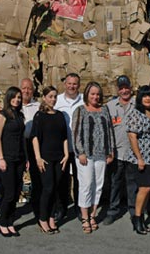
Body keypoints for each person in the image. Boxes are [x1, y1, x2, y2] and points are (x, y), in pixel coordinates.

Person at [73, 81, 115, 234]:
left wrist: (111, 151)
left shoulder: (104, 110)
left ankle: (92, 215)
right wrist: (80, 152)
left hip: (101, 154)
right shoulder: (80, 110)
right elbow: (75, 133)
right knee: (86, 184)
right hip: (86, 155)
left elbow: (109, 131)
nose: (95, 97)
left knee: (98, 185)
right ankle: (84, 217)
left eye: (97, 94)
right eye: (92, 94)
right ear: (87, 94)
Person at [126, 85, 150, 235]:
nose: (147, 99)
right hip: (142, 158)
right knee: (145, 188)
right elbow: (132, 136)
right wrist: (139, 158)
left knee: (149, 189)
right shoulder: (136, 114)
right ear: (140, 98)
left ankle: (141, 217)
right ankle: (137, 218)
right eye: (144, 96)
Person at [31, 86, 69, 234]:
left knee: (56, 187)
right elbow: (35, 137)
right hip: (45, 157)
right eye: (50, 96)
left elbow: (64, 136)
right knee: (47, 188)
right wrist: (38, 157)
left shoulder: (60, 115)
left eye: (55, 97)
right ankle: (42, 218)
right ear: (44, 97)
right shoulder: (39, 116)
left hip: (59, 157)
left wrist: (66, 155)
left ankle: (52, 216)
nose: (53, 99)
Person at [103, 75, 137, 225]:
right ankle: (113, 210)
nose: (124, 91)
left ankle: (134, 211)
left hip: (133, 152)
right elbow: (106, 129)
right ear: (118, 90)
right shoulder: (110, 106)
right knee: (115, 183)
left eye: (126, 88)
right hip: (116, 152)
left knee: (132, 183)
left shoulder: (137, 103)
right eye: (121, 88)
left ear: (130, 88)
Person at [0, 87, 27, 237]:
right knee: (9, 193)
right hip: (7, 158)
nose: (17, 100)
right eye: (14, 97)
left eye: (19, 97)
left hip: (19, 158)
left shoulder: (20, 115)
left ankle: (10, 221)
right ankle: (2, 222)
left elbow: (22, 138)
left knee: (16, 192)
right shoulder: (2, 115)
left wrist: (26, 158)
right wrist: (1, 158)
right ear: (8, 98)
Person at [54, 73, 84, 220]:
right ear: (65, 84)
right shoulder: (57, 100)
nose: (72, 86)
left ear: (79, 85)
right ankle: (61, 208)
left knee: (80, 179)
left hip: (80, 148)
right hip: (62, 148)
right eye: (69, 83)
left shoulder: (84, 100)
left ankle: (80, 208)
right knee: (62, 179)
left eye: (75, 84)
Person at [21, 78, 41, 219]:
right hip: (19, 144)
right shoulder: (15, 105)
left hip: (34, 144)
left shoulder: (38, 106)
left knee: (36, 174)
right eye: (24, 88)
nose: (26, 91)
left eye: (29, 88)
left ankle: (36, 204)